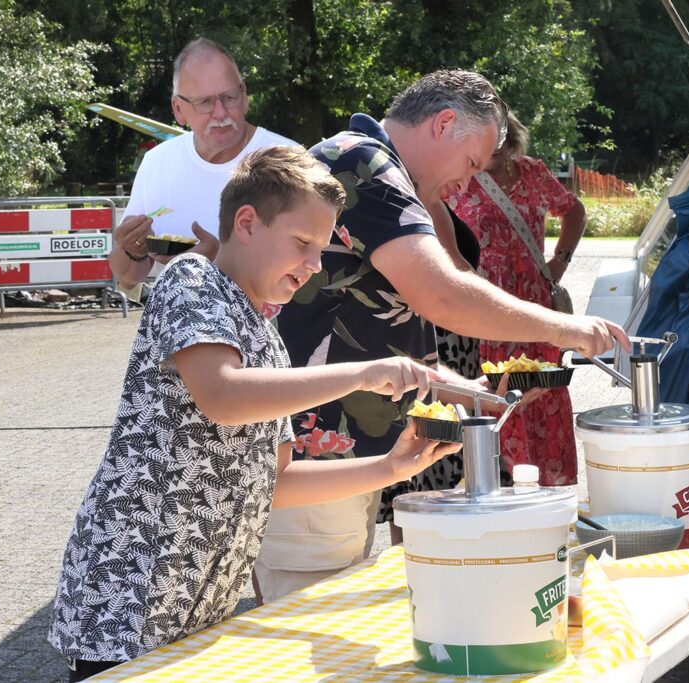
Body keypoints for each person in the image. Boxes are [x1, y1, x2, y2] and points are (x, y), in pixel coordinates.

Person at [48, 146, 461, 682]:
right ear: (246, 222)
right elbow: (222, 396)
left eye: (322, 248)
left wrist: (391, 468)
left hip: (199, 606)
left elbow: (276, 480)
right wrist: (361, 374)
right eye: (303, 243)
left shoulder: (267, 335)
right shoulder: (192, 279)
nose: (314, 265)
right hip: (127, 600)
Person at [254, 70, 628, 603]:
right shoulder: (366, 164)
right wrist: (566, 327)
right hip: (317, 455)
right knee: (310, 625)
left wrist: (470, 392)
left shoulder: (375, 166)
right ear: (444, 123)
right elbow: (444, 296)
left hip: (335, 456)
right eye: (471, 164)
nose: (469, 184)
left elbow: (392, 332)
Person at [449, 110, 586, 486]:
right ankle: (505, 487)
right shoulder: (460, 178)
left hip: (537, 307)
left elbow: (573, 209)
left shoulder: (533, 173)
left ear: (509, 142)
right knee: (499, 394)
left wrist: (560, 260)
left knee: (544, 395)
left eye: (496, 145)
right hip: (487, 310)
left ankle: (554, 490)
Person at [110, 38, 296, 291]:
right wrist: (132, 250)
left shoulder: (289, 160)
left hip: (266, 328)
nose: (220, 113)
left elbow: (315, 264)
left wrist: (217, 260)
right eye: (205, 102)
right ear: (178, 109)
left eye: (229, 97)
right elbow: (128, 277)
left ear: (245, 95)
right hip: (180, 328)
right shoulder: (157, 162)